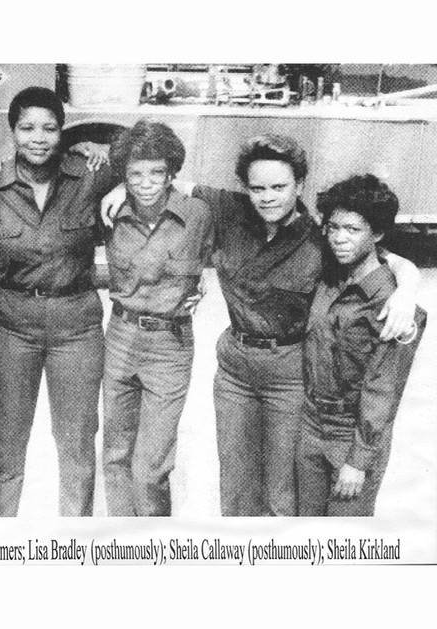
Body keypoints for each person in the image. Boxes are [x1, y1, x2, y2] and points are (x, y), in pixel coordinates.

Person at [102, 134, 419, 516]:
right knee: (235, 485)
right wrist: (123, 185)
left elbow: (375, 250)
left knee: (281, 489)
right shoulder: (227, 210)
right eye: (257, 188)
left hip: (288, 372)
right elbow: (166, 179)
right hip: (234, 370)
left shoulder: (319, 236)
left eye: (279, 187)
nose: (267, 197)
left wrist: (409, 284)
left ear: (299, 185)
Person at [0, 86, 114, 517]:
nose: (38, 137)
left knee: (76, 440)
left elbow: (162, 148)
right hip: (12, 323)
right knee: (6, 439)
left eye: (50, 128)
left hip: (76, 324)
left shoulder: (90, 173)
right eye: (27, 128)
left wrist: (89, 139)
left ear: (62, 132)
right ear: (12, 132)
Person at [297, 174, 426, 516]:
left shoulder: (391, 304)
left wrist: (358, 461)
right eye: (333, 227)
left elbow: (383, 391)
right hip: (310, 425)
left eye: (353, 230)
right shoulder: (328, 276)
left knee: (344, 546)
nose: (339, 238)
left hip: (352, 436)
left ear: (377, 234)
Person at [102, 120, 212, 516]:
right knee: (115, 455)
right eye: (135, 173)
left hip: (170, 345)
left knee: (151, 467)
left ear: (171, 173)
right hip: (120, 337)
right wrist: (114, 187)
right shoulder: (110, 211)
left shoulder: (199, 215)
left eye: (156, 172)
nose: (146, 182)